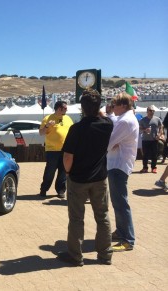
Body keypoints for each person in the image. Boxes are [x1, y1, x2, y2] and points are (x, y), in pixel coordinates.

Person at [57, 89, 114, 267]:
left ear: (82, 108)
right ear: (99, 107)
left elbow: (68, 157)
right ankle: (105, 255)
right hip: (99, 178)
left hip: (78, 179)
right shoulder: (107, 124)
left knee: (76, 219)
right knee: (102, 216)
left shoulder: (76, 129)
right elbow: (103, 116)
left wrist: (67, 173)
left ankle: (76, 256)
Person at [107, 92, 139, 252]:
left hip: (118, 165)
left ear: (123, 106)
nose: (113, 108)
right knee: (117, 201)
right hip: (117, 164)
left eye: (115, 105)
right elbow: (113, 123)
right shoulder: (125, 118)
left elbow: (109, 141)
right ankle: (121, 232)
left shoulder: (125, 121)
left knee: (120, 202)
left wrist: (112, 144)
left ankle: (128, 239)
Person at [39, 100, 73, 198]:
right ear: (59, 109)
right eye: (65, 108)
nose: (67, 110)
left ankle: (60, 190)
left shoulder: (68, 118)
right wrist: (47, 126)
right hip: (52, 150)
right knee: (50, 172)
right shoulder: (48, 118)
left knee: (63, 172)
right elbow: (41, 133)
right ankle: (44, 189)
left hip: (65, 150)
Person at [139, 105, 162, 173]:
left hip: (154, 140)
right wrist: (145, 130)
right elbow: (139, 128)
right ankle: (145, 167)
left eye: (153, 111)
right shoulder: (143, 120)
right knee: (145, 154)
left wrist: (159, 134)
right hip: (145, 140)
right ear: (147, 111)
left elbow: (161, 127)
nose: (152, 112)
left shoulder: (157, 119)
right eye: (150, 110)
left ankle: (153, 167)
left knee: (154, 154)